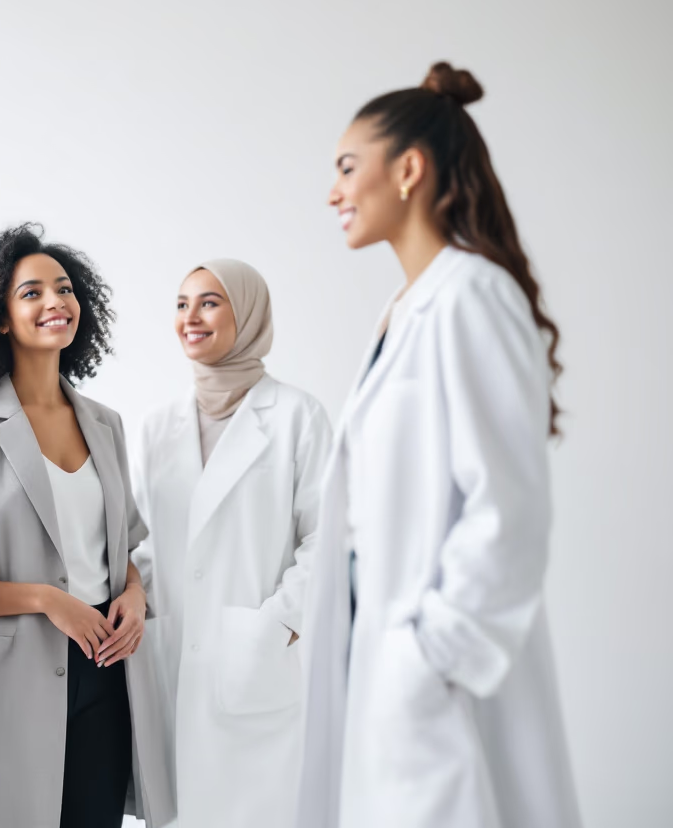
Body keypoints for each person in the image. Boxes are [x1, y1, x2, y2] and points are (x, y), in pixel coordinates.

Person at [296, 62, 582, 828]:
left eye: (348, 169)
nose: (333, 193)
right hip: (384, 649)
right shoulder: (406, 308)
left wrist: (432, 655)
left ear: (409, 170)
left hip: (435, 668)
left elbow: (509, 506)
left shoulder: (472, 294)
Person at [0, 224, 173, 828]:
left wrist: (136, 596)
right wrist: (45, 600)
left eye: (63, 289)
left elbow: (122, 549)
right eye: (31, 292)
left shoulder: (105, 423)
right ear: (0, 317)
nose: (54, 302)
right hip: (8, 679)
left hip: (106, 670)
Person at [131, 259, 331, 827]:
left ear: (246, 314)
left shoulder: (297, 416)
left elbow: (325, 538)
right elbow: (141, 544)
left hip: (255, 663)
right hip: (173, 662)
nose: (190, 317)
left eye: (209, 302)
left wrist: (276, 625)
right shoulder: (156, 425)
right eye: (180, 304)